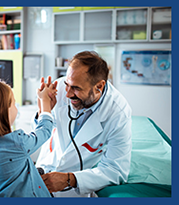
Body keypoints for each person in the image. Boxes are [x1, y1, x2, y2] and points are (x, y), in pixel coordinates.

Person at [34, 51, 132, 197]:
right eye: (67, 84)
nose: (67, 94)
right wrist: (44, 109)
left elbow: (116, 170)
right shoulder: (60, 87)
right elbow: (38, 132)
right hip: (44, 170)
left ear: (99, 86)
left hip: (75, 189)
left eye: (76, 88)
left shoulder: (118, 113)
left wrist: (70, 179)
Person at [0, 79, 57, 197]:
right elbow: (44, 131)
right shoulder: (17, 143)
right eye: (13, 103)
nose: (16, 108)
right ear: (4, 111)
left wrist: (42, 110)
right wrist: (45, 101)